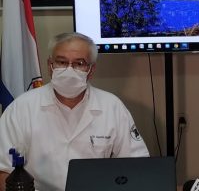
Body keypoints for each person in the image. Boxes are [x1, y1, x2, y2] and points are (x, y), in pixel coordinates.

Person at [0, 32, 149, 191]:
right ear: (50, 66)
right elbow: (4, 171)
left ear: (91, 70)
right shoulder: (21, 108)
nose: (69, 69)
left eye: (79, 63)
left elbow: (136, 166)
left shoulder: (112, 107)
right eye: (62, 62)